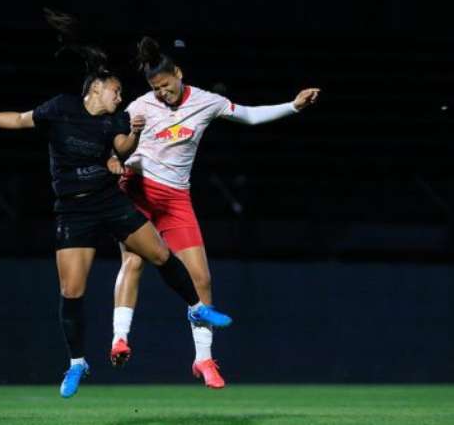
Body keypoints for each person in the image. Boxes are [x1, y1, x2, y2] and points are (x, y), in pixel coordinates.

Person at [0, 11, 231, 398]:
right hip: (73, 210)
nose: (121, 97)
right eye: (116, 91)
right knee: (71, 290)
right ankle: (77, 364)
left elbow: (122, 150)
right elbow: (18, 120)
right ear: (96, 88)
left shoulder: (116, 121)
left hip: (109, 201)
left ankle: (195, 307)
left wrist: (129, 142)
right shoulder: (61, 108)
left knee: (161, 254)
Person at [109, 36, 320, 389]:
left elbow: (250, 117)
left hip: (176, 200)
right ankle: (119, 338)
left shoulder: (207, 102)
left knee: (201, 279)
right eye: (156, 89)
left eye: (165, 85)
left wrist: (294, 106)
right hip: (138, 190)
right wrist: (112, 157)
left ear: (178, 73)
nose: (162, 94)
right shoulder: (141, 105)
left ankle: (203, 360)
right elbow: (111, 138)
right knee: (133, 262)